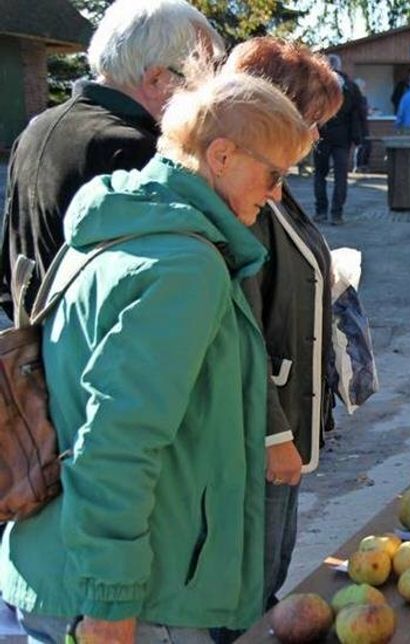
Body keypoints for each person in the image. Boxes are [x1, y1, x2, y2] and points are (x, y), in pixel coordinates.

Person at [0, 72, 315, 643]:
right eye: (274, 174)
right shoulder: (182, 268)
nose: (276, 193)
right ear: (221, 156)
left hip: (65, 568)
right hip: (139, 599)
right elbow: (115, 443)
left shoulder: (118, 224)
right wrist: (111, 602)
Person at [0, 0, 223, 318]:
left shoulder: (36, 130)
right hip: (101, 358)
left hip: (44, 351)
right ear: (156, 79)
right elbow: (163, 298)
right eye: (199, 80)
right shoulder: (138, 153)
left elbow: (10, 275)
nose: (207, 97)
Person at [224, 37, 343, 612]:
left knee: (270, 573)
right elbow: (239, 326)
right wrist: (275, 435)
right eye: (311, 120)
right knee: (249, 588)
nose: (316, 136)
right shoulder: (242, 199)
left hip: (284, 421)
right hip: (257, 434)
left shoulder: (277, 188)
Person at [313, 54, 364, 225]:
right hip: (343, 138)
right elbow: (358, 113)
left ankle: (321, 211)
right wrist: (358, 137)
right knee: (341, 176)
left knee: (320, 174)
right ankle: (337, 214)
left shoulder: (318, 87)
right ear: (340, 66)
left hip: (322, 136)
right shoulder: (350, 86)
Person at [353, 78, 372, 173]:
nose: (365, 89)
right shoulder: (360, 98)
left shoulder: (359, 98)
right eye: (364, 87)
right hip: (361, 125)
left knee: (365, 145)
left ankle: (361, 165)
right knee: (362, 145)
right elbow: (362, 112)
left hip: (360, 124)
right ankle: (359, 166)